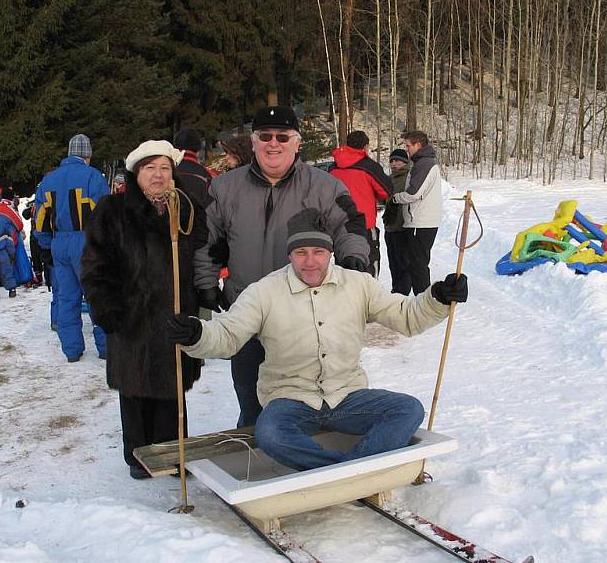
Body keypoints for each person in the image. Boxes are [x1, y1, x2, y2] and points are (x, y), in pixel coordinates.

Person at [167, 208, 468, 471]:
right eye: (301, 253)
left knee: (408, 409)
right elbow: (228, 334)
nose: (310, 262)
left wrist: (438, 297)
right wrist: (197, 333)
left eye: (318, 252)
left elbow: (406, 316)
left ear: (331, 252)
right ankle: (347, 471)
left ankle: (345, 470)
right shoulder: (264, 291)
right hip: (290, 399)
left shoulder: (358, 284)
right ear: (289, 254)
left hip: (347, 396)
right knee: (269, 432)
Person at [194, 105, 370, 428]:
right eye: (265, 136)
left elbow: (351, 227)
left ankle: (302, 460)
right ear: (254, 141)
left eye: (282, 136)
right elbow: (207, 239)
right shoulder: (224, 188)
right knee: (251, 398)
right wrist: (206, 285)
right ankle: (255, 457)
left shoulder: (324, 187)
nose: (273, 143)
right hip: (245, 314)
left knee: (303, 400)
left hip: (304, 317)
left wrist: (354, 263)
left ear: (296, 143)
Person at [81, 140, 206, 480]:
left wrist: (205, 294)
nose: (158, 175)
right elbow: (95, 266)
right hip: (131, 315)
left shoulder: (186, 209)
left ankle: (172, 452)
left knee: (172, 388)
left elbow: (203, 255)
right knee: (135, 389)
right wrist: (105, 305)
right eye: (150, 168)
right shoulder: (113, 210)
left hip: (176, 312)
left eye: (165, 168)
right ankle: (139, 457)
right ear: (136, 173)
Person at [34, 133, 109, 362]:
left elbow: (39, 219)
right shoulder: (93, 177)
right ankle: (106, 348)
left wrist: (47, 244)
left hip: (59, 243)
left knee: (67, 297)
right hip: (87, 242)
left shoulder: (48, 180)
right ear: (87, 155)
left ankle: (72, 350)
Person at [329, 130, 393, 277]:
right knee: (368, 267)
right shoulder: (368, 166)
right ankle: (368, 298)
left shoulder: (333, 167)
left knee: (343, 269)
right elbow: (386, 191)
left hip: (340, 225)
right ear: (365, 146)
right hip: (365, 225)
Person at [391, 130, 442, 295]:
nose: (407, 149)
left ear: (418, 145)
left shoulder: (424, 164)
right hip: (420, 221)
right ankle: (422, 301)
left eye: (408, 146)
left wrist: (395, 199)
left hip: (420, 222)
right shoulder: (421, 163)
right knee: (416, 263)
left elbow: (413, 193)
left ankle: (423, 304)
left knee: (418, 265)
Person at [383, 148, 412, 295]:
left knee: (403, 264)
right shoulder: (389, 179)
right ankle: (396, 291)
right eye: (391, 161)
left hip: (403, 227)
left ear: (405, 162)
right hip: (390, 227)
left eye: (397, 160)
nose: (394, 164)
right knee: (393, 263)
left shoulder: (409, 177)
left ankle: (403, 295)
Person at [172, 128, 213, 207]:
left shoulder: (165, 173)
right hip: (201, 218)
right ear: (198, 151)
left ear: (176, 149)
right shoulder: (208, 175)